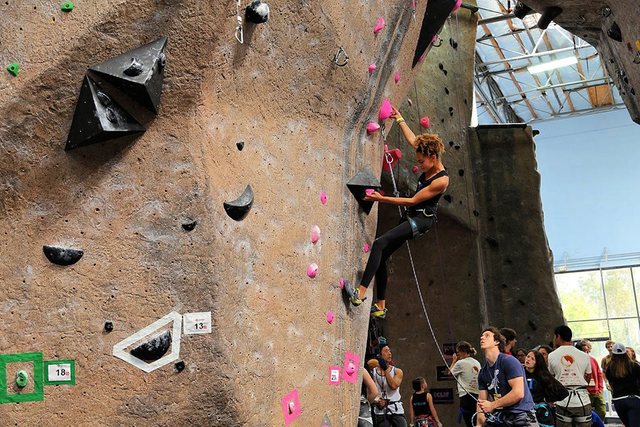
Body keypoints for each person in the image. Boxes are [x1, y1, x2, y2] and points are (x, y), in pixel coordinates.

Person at [344, 106, 449, 319]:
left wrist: (381, 198)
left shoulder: (441, 181)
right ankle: (381, 306)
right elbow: (413, 140)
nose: (419, 165)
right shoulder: (427, 158)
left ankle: (360, 294)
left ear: (433, 156)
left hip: (421, 220)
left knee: (379, 244)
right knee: (381, 256)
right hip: (412, 215)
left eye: (421, 162)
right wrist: (400, 118)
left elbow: (412, 200)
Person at [476, 327, 538, 426]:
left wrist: (492, 405)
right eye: (482, 336)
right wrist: (478, 425)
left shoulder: (508, 361)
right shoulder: (483, 372)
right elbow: (481, 402)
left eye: (487, 335)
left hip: (522, 414)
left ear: (496, 341)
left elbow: (518, 393)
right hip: (503, 416)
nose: (482, 337)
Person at [547, 325, 592, 427]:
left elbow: (551, 376)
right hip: (583, 399)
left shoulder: (552, 355)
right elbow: (588, 375)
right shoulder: (584, 356)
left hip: (562, 400)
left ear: (558, 336)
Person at [524, 350, 569, 426]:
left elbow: (563, 392)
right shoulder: (519, 373)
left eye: (533, 359)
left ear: (537, 362)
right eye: (528, 357)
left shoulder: (543, 375)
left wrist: (549, 399)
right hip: (524, 411)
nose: (528, 359)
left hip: (541, 412)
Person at [371, 343, 407, 426]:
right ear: (379, 355)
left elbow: (393, 386)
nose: (389, 353)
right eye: (386, 351)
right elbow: (370, 393)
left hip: (396, 409)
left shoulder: (397, 371)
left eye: (390, 351)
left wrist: (386, 369)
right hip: (381, 411)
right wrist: (377, 401)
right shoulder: (373, 373)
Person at [605, 342, 640, 426]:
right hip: (633, 399)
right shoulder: (634, 366)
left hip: (618, 401)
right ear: (625, 353)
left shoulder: (610, 368)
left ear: (613, 354)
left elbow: (611, 383)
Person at [449, 341, 481, 427]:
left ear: (462, 351)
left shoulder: (460, 363)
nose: (457, 354)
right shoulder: (476, 362)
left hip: (466, 396)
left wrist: (454, 361)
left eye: (458, 352)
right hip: (477, 396)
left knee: (469, 422)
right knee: (476, 422)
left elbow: (450, 373)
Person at [576, 339, 606, 421]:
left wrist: (600, 388)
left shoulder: (592, 359)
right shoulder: (576, 361)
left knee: (602, 410)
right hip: (585, 392)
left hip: (597, 390)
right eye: (588, 346)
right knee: (587, 413)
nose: (590, 348)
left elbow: (599, 373)